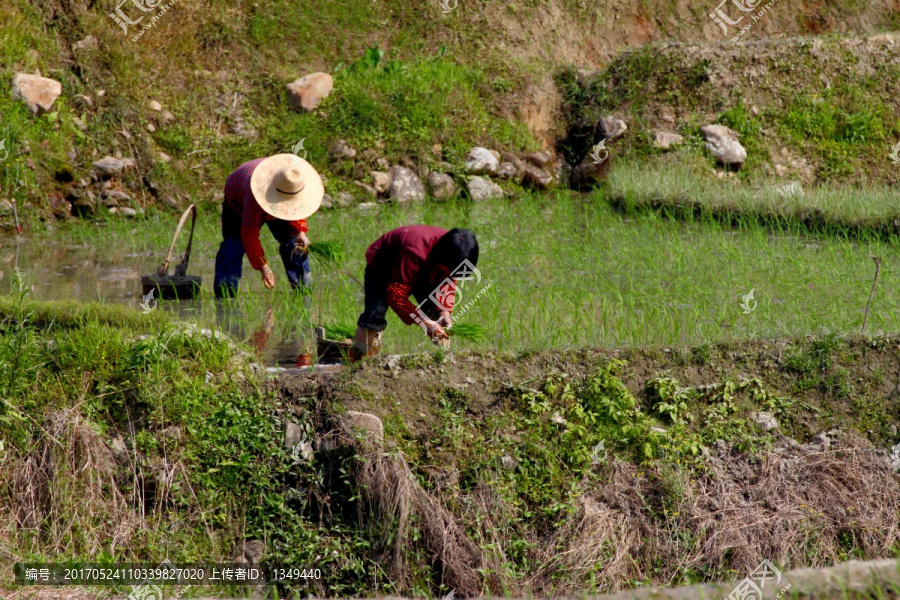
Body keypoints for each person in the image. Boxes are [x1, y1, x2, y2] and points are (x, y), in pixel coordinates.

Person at [352, 225, 479, 358]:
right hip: (384, 267)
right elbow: (396, 296)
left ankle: (444, 359)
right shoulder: (416, 251)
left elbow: (448, 279)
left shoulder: (453, 252)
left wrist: (444, 311)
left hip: (424, 266)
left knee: (437, 316)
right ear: (442, 261)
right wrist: (424, 322)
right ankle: (357, 362)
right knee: (374, 318)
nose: (451, 275)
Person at [214, 154, 324, 298]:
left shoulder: (292, 183)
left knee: (294, 243)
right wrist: (264, 267)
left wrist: (300, 232)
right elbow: (249, 235)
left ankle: (304, 291)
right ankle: (225, 295)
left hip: (277, 191)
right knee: (233, 245)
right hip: (239, 200)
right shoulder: (255, 195)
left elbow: (297, 209)